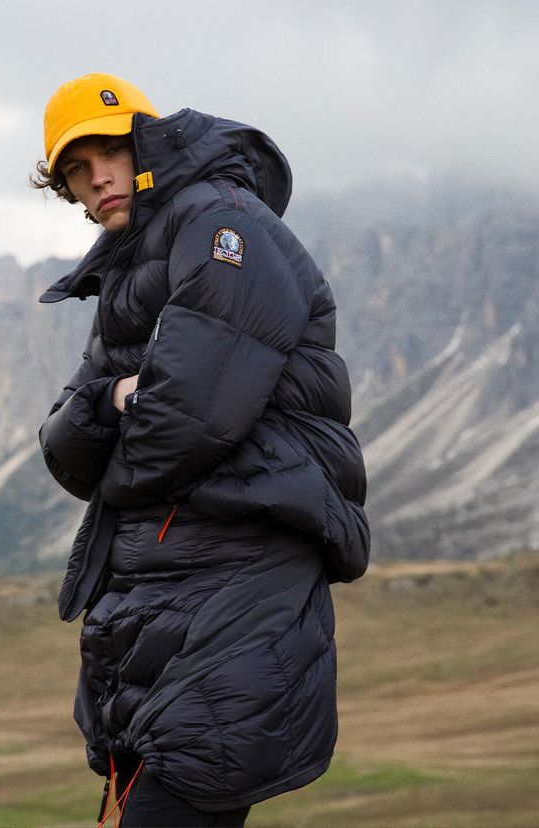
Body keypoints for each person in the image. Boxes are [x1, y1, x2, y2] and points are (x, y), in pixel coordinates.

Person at [32, 72, 369, 827]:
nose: (98, 180)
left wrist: (118, 425)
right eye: (77, 172)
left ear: (145, 143)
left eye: (108, 154)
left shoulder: (222, 226)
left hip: (236, 587)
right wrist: (115, 396)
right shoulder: (131, 262)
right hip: (171, 594)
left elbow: (184, 421)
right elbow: (66, 450)